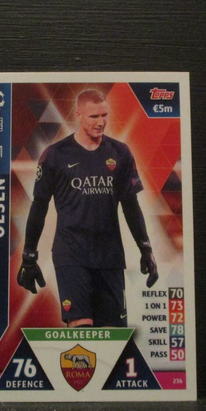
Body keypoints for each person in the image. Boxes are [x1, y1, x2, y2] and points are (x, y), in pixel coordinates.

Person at [17, 89, 158, 328]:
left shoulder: (121, 153)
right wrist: (29, 256)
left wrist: (146, 249)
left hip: (110, 257)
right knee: (82, 331)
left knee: (112, 338)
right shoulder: (55, 155)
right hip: (71, 255)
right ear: (78, 115)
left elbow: (131, 206)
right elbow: (39, 206)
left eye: (104, 115)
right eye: (94, 116)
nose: (100, 122)